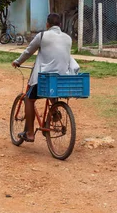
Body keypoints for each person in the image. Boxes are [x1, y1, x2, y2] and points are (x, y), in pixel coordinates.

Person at [12, 13, 72, 142]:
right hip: (63, 77)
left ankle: (29, 133)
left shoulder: (42, 35)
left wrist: (18, 62)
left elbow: (28, 52)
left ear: (47, 24)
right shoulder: (68, 38)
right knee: (52, 92)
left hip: (44, 77)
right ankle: (54, 113)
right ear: (60, 25)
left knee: (29, 99)